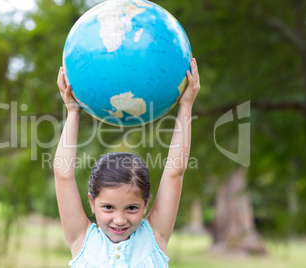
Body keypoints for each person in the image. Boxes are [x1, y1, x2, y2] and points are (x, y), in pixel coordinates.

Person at [54, 58, 200, 267]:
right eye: (108, 207)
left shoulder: (154, 237)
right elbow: (63, 175)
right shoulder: (82, 241)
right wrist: (72, 111)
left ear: (146, 204)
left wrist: (186, 106)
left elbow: (174, 172)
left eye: (131, 208)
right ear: (92, 202)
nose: (120, 220)